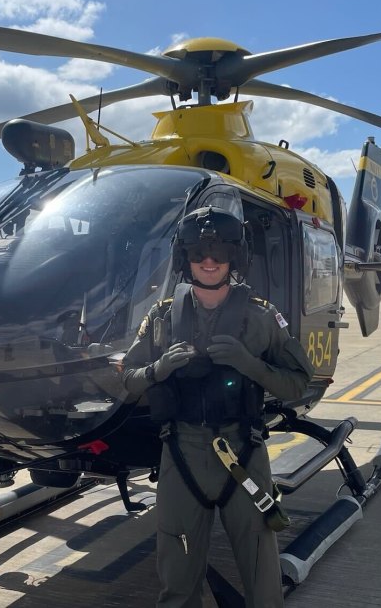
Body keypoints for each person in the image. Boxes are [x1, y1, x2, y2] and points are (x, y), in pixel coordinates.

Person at [122, 206, 314, 607]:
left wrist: (250, 364)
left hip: (242, 451)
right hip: (181, 451)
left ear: (235, 257)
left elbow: (298, 383)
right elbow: (128, 381)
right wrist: (157, 369)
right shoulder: (161, 318)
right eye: (198, 253)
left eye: (220, 253)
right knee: (176, 575)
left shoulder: (262, 317)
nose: (209, 261)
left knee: (261, 574)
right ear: (184, 258)